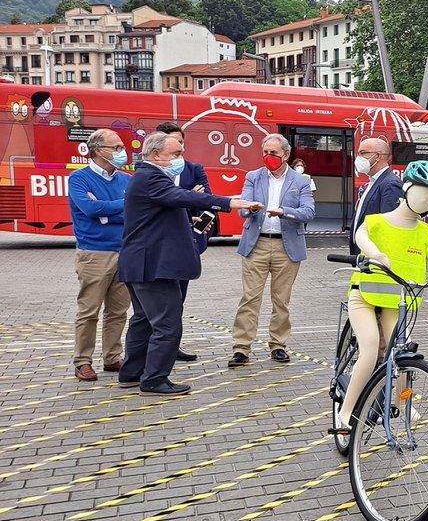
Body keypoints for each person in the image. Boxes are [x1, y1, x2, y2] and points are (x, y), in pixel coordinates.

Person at [331, 160, 428, 434]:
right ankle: (346, 412)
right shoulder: (376, 222)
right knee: (371, 348)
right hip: (367, 297)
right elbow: (363, 239)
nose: (427, 200)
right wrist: (376, 255)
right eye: (423, 193)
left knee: (403, 349)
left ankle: (400, 402)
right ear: (406, 188)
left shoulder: (423, 232)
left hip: (398, 301)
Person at [118, 132, 260, 394]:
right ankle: (154, 380)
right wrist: (229, 202)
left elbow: (159, 214)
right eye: (175, 154)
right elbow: (184, 197)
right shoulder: (150, 177)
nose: (180, 159)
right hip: (153, 267)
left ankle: (132, 373)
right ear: (155, 154)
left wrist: (187, 220)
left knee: (143, 321)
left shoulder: (147, 176)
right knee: (167, 324)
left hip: (141, 263)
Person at [229, 134, 315, 367]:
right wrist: (249, 208)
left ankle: (278, 345)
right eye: (265, 152)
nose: (268, 157)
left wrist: (284, 211)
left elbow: (308, 212)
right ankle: (241, 348)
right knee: (250, 298)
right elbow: (242, 210)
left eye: (273, 153)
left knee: (281, 300)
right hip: (256, 244)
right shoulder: (253, 177)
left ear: (285, 155)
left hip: (286, 246)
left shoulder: (301, 181)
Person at [68, 129, 131, 381]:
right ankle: (82, 361)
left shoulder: (127, 179)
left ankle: (113, 357)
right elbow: (89, 208)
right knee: (89, 311)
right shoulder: (79, 179)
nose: (121, 152)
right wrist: (118, 207)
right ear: (97, 151)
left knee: (118, 311)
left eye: (121, 147)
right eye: (115, 147)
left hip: (124, 251)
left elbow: (133, 211)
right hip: (94, 254)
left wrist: (106, 213)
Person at [156, 121, 210, 363]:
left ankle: (172, 346)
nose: (179, 147)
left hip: (186, 245)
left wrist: (191, 200)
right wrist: (189, 197)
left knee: (179, 299)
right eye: (173, 143)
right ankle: (153, 349)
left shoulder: (194, 168)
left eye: (181, 142)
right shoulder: (150, 172)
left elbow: (205, 198)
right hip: (158, 247)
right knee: (157, 303)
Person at [350, 137, 404, 255]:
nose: (358, 158)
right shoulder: (373, 181)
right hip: (365, 253)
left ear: (378, 156)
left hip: (375, 255)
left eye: (363, 153)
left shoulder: (390, 184)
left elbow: (389, 225)